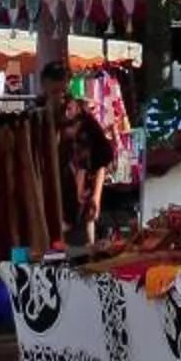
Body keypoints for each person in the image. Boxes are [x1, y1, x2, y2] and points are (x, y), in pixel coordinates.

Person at [44, 62, 114, 248]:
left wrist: (96, 197)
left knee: (82, 260)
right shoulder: (37, 117)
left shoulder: (81, 116)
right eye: (54, 92)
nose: (60, 98)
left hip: (80, 204)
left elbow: (103, 156)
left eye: (62, 92)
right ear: (44, 87)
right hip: (47, 206)